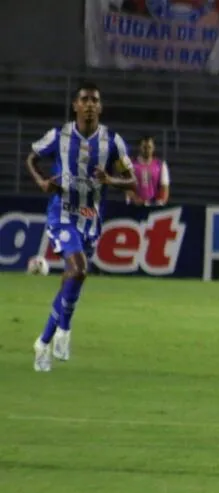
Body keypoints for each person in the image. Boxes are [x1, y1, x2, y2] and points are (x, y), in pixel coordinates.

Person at [26, 81, 136, 371]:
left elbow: (134, 181)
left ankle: (43, 341)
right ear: (75, 105)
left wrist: (111, 180)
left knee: (71, 279)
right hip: (61, 214)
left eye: (94, 100)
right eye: (84, 99)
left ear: (100, 107)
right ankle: (64, 331)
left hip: (90, 218)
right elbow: (31, 157)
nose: (89, 104)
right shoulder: (59, 136)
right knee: (79, 269)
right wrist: (41, 182)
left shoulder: (112, 142)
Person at [127, 135, 171, 206]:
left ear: (153, 148)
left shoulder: (161, 165)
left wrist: (161, 203)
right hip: (134, 206)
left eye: (149, 147)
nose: (147, 150)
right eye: (144, 147)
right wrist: (135, 199)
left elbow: (165, 187)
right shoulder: (131, 164)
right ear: (140, 147)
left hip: (154, 206)